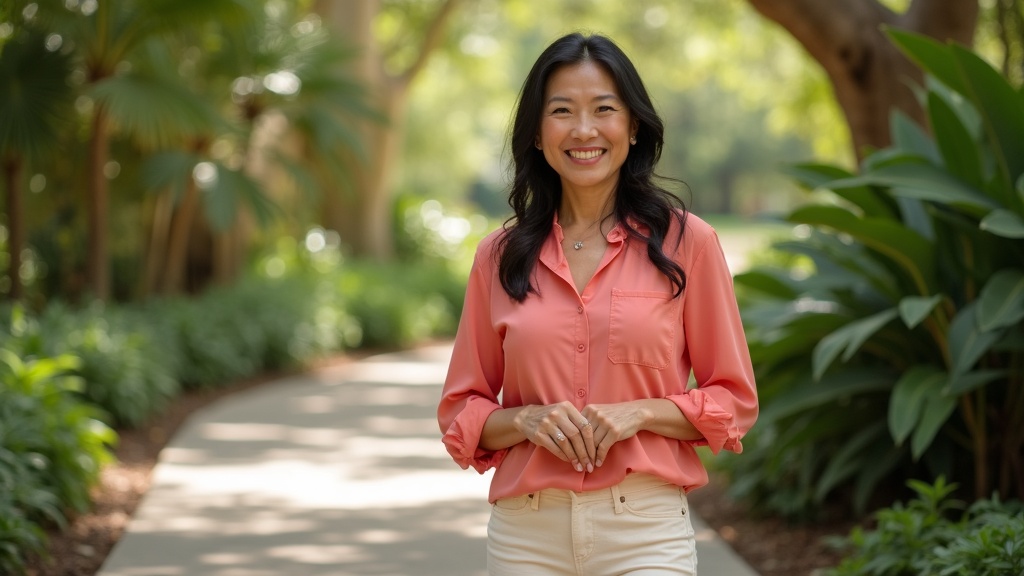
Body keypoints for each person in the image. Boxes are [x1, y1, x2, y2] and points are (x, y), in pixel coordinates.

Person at [437, 31, 758, 575]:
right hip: (525, 536)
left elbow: (734, 401)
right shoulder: (499, 256)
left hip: (645, 531)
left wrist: (643, 413)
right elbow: (462, 412)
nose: (584, 130)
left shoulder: (688, 244)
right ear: (538, 134)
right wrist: (527, 420)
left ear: (632, 127)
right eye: (561, 110)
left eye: (603, 109)